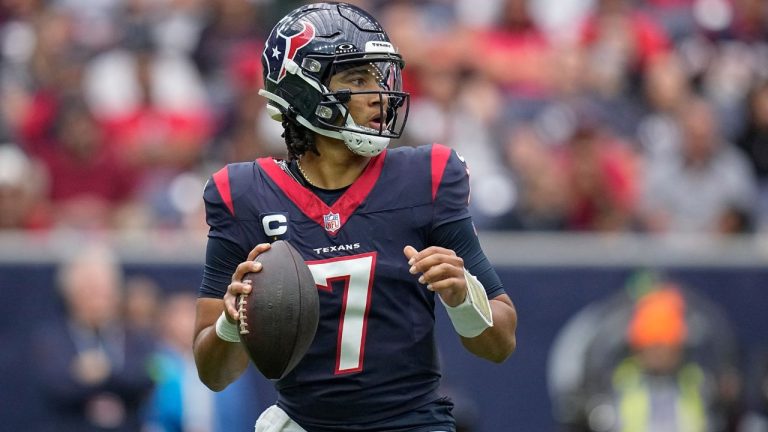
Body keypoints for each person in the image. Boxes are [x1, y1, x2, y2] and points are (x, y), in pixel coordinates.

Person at [192, 3, 518, 432]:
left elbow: (501, 344)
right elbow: (213, 375)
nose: (378, 95)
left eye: (378, 77)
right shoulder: (245, 194)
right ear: (302, 88)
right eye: (357, 78)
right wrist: (232, 324)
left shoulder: (425, 177)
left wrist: (464, 299)